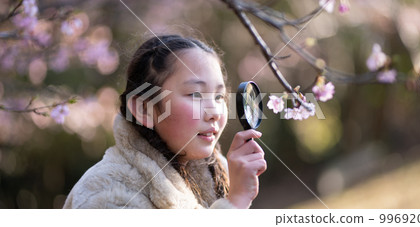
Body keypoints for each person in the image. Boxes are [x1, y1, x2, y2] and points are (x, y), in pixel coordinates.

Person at [63, 34, 267, 209]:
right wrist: (235, 203)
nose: (214, 112)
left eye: (219, 96)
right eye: (195, 95)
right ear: (144, 108)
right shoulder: (104, 193)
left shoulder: (219, 170)